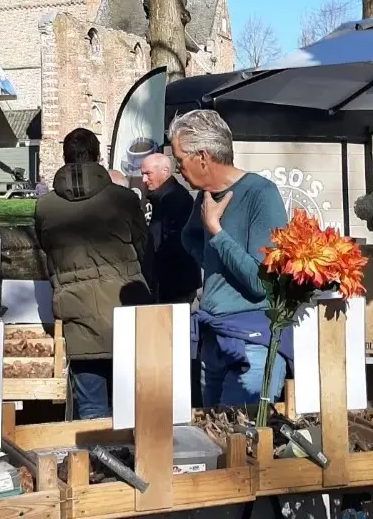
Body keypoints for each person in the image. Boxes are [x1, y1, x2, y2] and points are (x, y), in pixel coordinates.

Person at [171, 109, 293, 407]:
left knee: (241, 444)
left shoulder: (261, 194)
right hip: (213, 336)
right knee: (213, 441)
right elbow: (189, 238)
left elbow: (261, 282)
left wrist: (216, 231)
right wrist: (218, 264)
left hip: (253, 342)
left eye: (179, 160)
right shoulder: (205, 196)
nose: (177, 169)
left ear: (202, 156)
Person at [34, 128, 152, 419]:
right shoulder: (123, 199)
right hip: (126, 311)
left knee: (90, 410)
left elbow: (46, 250)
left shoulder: (45, 206)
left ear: (64, 158)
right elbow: (143, 245)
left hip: (76, 314)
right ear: (99, 157)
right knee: (134, 408)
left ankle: (97, 464)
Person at [140, 153, 200, 304]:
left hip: (175, 286)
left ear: (165, 171)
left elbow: (174, 244)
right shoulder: (162, 197)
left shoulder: (174, 198)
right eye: (143, 174)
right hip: (170, 285)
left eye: (148, 174)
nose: (144, 180)